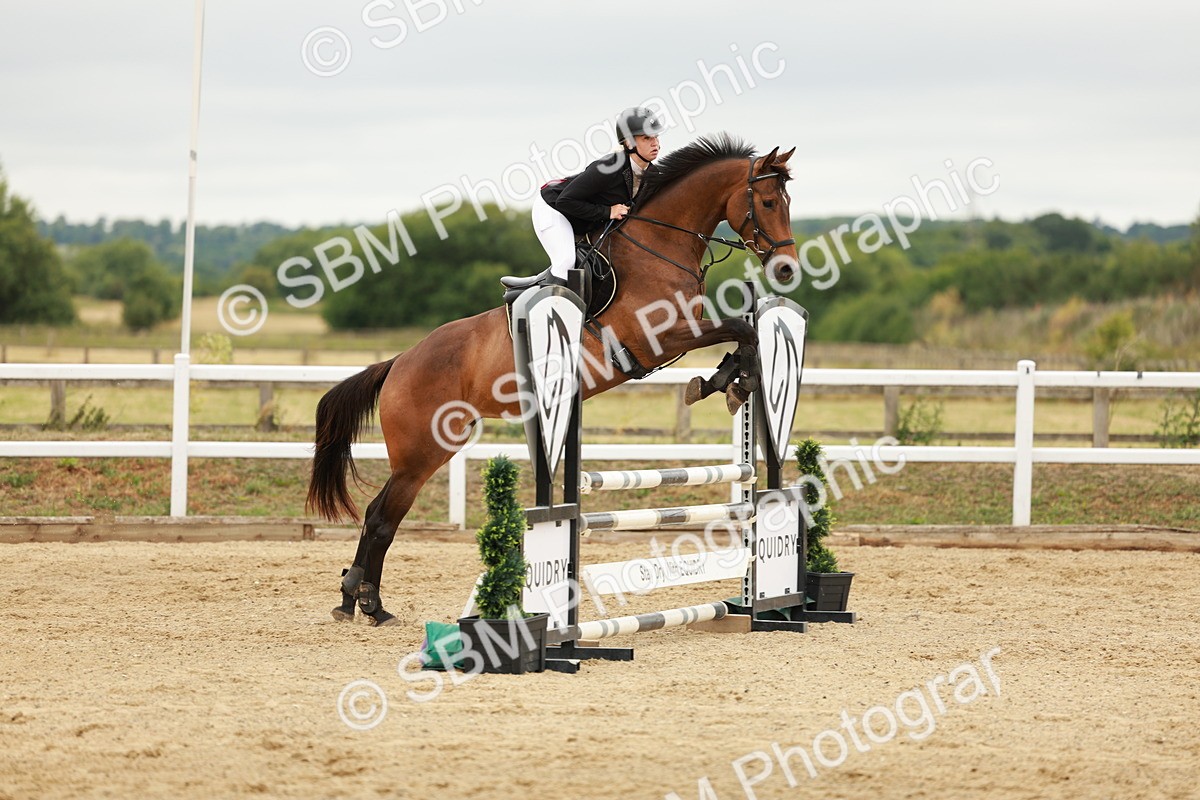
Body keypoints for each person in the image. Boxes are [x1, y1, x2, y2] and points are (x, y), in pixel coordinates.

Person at [519, 106, 664, 288]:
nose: (655, 143)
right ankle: (553, 313)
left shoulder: (654, 175)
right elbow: (565, 201)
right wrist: (608, 211)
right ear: (628, 143)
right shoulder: (607, 168)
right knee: (565, 262)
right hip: (553, 207)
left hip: (582, 215)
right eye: (647, 138)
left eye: (656, 136)